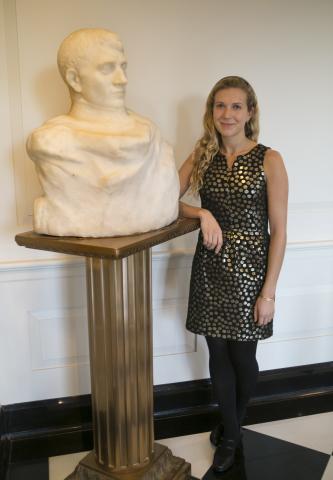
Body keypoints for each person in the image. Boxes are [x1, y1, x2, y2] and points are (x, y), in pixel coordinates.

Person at [178, 76, 288, 472]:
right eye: (220, 106)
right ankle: (232, 435)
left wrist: (268, 293)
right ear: (212, 112)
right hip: (210, 267)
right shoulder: (202, 154)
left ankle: (231, 425)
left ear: (250, 112)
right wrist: (201, 212)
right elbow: (166, 201)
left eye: (236, 106)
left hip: (251, 273)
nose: (227, 114)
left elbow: (279, 232)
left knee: (243, 355)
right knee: (218, 354)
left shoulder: (269, 159)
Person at [27, 28, 179, 237]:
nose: (122, 79)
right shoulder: (52, 143)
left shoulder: (152, 136)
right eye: (107, 69)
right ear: (75, 80)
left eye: (123, 67)